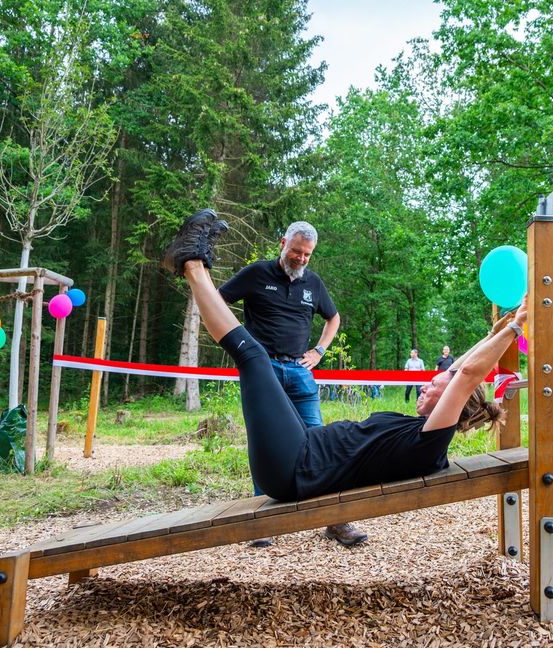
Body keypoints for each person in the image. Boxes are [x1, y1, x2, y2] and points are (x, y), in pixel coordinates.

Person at [160, 210, 526, 504]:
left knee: (252, 355)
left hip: (295, 467)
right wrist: (503, 326)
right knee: (256, 356)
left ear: (451, 402)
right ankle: (196, 260)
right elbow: (462, 368)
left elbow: (465, 378)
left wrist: (515, 332)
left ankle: (191, 263)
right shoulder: (423, 430)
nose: (430, 382)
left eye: (436, 384)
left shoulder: (430, 442)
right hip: (302, 450)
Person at [183, 216, 365, 547]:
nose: (301, 259)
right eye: (297, 251)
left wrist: (320, 350)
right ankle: (262, 523)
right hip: (263, 371)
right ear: (283, 244)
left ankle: (335, 521)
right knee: (264, 442)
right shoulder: (257, 273)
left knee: (319, 442)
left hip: (299, 371)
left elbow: (333, 317)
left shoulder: (313, 283)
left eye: (307, 254)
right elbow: (216, 302)